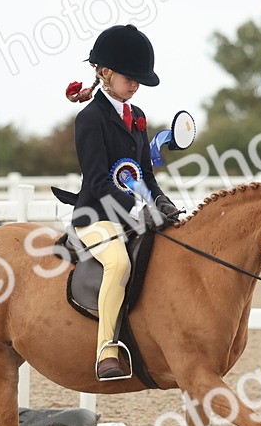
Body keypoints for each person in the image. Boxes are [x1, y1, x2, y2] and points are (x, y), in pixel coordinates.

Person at [63, 24, 180, 380]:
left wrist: (161, 202)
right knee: (119, 264)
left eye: (138, 80)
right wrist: (137, 209)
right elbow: (98, 181)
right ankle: (107, 351)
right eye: (130, 78)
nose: (135, 85)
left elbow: (145, 174)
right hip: (96, 216)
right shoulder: (89, 119)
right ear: (105, 72)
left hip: (133, 216)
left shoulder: (137, 117)